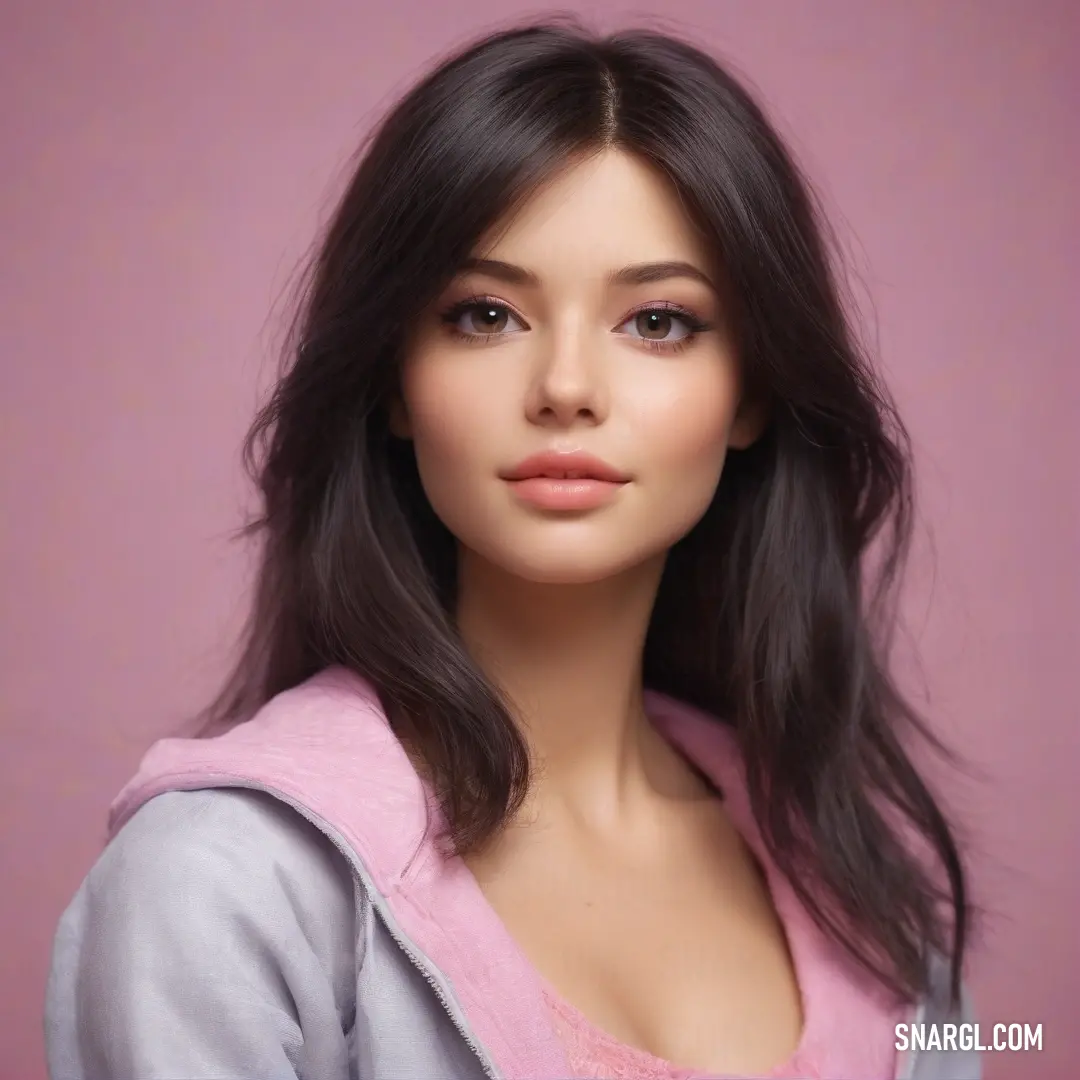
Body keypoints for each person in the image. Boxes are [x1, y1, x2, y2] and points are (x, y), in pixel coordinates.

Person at [44, 18, 980, 1080]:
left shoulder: (871, 884)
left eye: (659, 321)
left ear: (752, 393)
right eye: (486, 315)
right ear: (394, 382)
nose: (566, 386)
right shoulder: (224, 885)